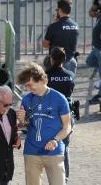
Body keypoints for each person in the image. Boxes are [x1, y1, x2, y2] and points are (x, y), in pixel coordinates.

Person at [16, 63, 71, 185]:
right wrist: (22, 120)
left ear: (40, 80)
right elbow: (24, 126)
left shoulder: (59, 99)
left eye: (30, 85)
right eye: (26, 86)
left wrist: (55, 140)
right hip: (32, 152)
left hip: (54, 152)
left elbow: (67, 127)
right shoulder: (26, 99)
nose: (28, 89)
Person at [46, 47, 75, 183]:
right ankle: (65, 178)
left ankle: (53, 178)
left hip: (50, 116)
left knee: (48, 147)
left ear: (51, 59)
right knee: (65, 147)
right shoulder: (70, 75)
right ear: (64, 60)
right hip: (67, 115)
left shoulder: (46, 76)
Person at [43, 0, 79, 75]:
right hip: (71, 60)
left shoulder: (53, 26)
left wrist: (55, 24)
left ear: (59, 10)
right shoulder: (75, 25)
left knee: (53, 85)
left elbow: (45, 44)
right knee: (69, 85)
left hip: (56, 63)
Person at [86, 0, 101, 104]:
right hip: (97, 46)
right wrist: (97, 14)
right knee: (90, 61)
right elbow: (91, 12)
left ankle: (100, 95)